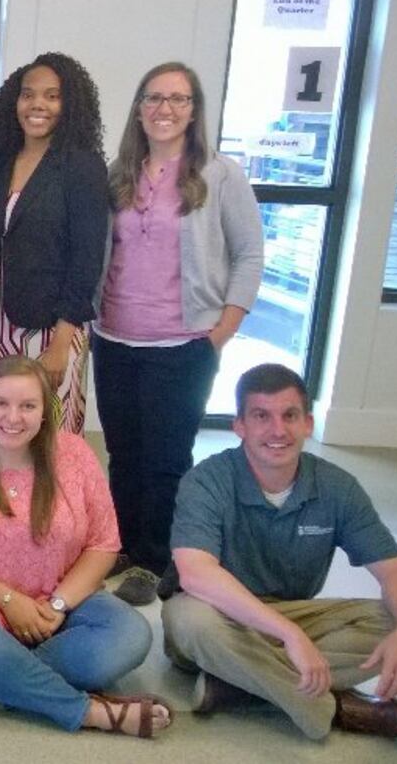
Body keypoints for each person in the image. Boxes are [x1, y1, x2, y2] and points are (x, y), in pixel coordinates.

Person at [0, 355, 170, 738]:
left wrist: (57, 604)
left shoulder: (75, 455)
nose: (13, 417)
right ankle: (89, 712)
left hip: (55, 600)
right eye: (0, 403)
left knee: (131, 634)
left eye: (28, 405)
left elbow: (103, 544)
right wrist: (10, 601)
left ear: (46, 411)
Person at [164, 364, 397, 740]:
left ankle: (241, 684)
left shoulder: (338, 487)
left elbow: (396, 573)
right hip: (222, 616)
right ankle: (331, 705)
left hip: (293, 615)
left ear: (307, 423)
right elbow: (195, 574)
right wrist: (290, 636)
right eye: (261, 416)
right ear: (239, 426)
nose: (278, 430)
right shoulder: (206, 481)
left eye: (289, 416)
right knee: (187, 618)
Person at [95, 63, 265, 607]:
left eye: (178, 99)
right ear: (139, 107)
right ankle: (121, 544)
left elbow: (250, 253)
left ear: (195, 110)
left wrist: (224, 328)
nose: (165, 109)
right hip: (115, 336)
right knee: (123, 452)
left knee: (166, 457)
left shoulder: (220, 176)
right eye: (154, 97)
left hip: (183, 343)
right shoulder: (118, 170)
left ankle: (155, 560)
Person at [0, 53, 109, 434]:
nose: (37, 105)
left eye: (52, 96)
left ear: (69, 103)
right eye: (28, 95)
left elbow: (86, 258)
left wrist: (61, 341)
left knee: (45, 439)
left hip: (49, 330)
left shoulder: (82, 165)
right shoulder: (0, 160)